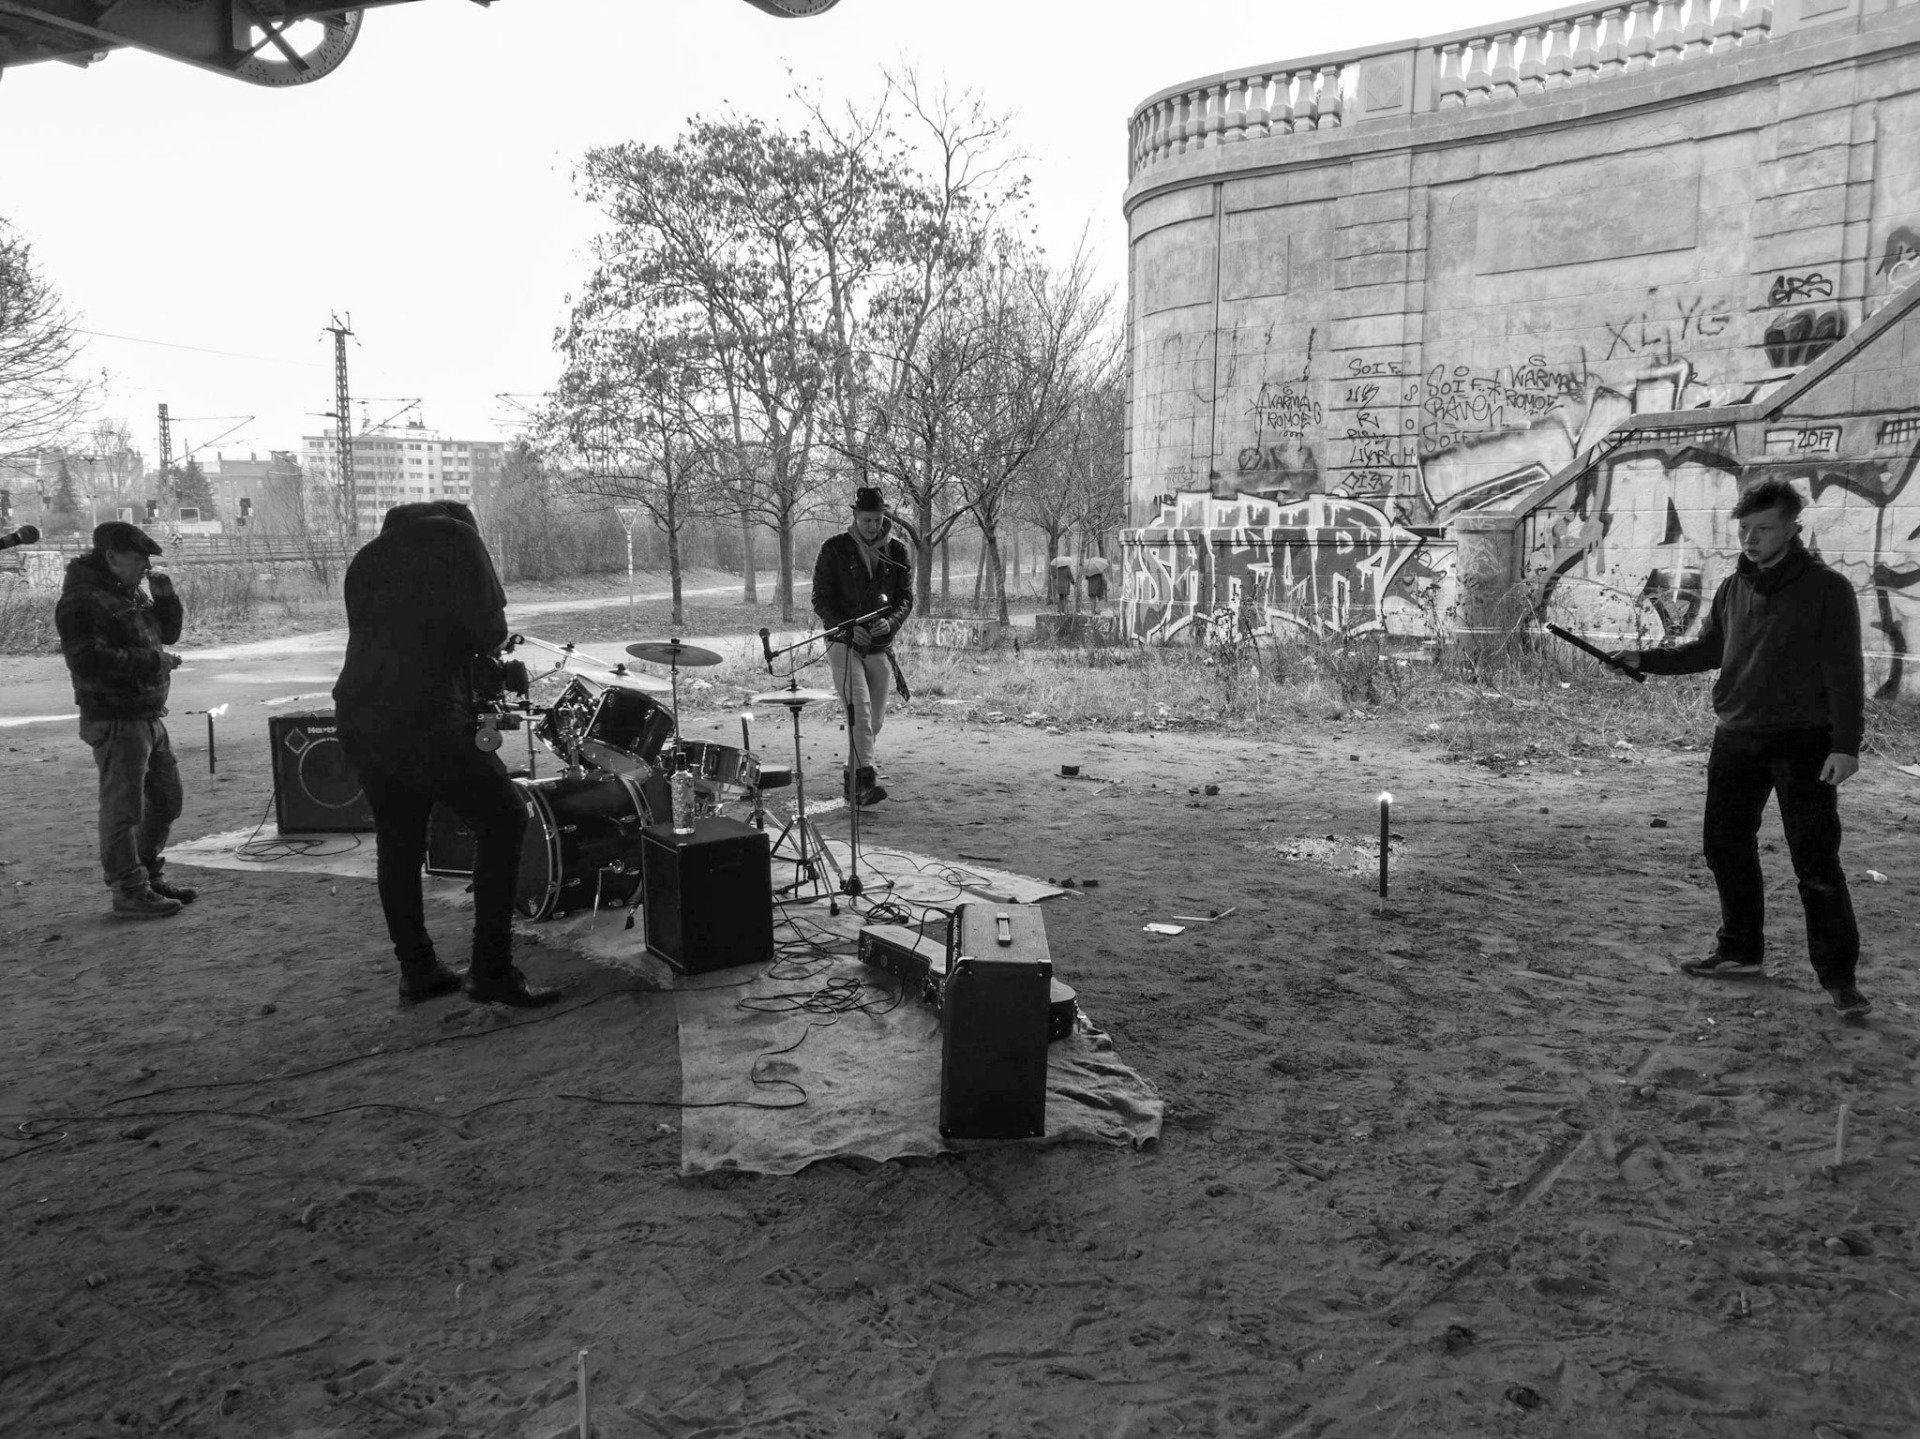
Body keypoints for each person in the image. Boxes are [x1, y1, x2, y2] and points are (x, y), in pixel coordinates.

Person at [1614, 478, 1869, 1020]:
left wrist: (1846, 746)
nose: (1751, 540)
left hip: (1804, 744)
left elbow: (1846, 674)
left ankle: (1839, 979)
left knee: (1816, 863)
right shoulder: (1734, 587)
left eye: (1764, 530)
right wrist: (1646, 661)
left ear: (1793, 530)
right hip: (1736, 737)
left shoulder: (1827, 590)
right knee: (1725, 847)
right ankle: (1740, 952)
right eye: (1746, 530)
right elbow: (1709, 650)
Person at [333, 500, 558, 1008]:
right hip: (424, 715)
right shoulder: (458, 541)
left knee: (399, 839)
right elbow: (491, 632)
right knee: (503, 815)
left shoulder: (367, 558)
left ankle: (418, 970)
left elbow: (405, 637)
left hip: (359, 714)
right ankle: (491, 970)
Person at [55, 520, 194, 919]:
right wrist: (155, 662)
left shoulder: (128, 593)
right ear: (112, 556)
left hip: (147, 713)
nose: (145, 568)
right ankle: (129, 889)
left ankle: (147, 874)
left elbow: (167, 635)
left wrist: (166, 599)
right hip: (115, 717)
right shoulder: (82, 601)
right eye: (139, 560)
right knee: (123, 809)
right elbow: (87, 660)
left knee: (167, 800)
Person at [811, 486, 913, 807]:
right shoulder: (834, 549)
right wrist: (849, 627)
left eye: (878, 519)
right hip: (843, 641)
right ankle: (865, 782)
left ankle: (851, 780)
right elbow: (820, 599)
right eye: (867, 519)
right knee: (860, 710)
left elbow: (905, 599)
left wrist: (891, 623)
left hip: (880, 644)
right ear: (855, 515)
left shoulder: (898, 551)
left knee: (874, 722)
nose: (872, 525)